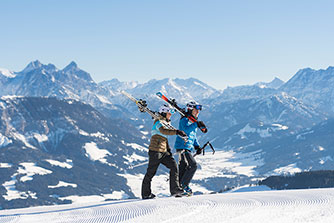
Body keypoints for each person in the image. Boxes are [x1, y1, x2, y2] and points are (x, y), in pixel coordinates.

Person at [141, 104, 187, 199]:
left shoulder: (165, 122)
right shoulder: (158, 122)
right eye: (168, 113)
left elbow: (166, 134)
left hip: (164, 152)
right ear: (164, 113)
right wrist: (177, 132)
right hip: (155, 151)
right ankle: (146, 194)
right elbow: (164, 131)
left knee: (174, 167)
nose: (170, 115)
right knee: (151, 173)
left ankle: (175, 190)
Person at [174, 101, 207, 195]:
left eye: (198, 110)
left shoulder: (192, 121)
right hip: (182, 147)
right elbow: (185, 130)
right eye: (195, 110)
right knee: (193, 165)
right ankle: (184, 186)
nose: (197, 112)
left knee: (183, 167)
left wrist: (197, 146)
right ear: (190, 109)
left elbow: (193, 135)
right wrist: (196, 124)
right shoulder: (184, 120)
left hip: (188, 147)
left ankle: (179, 189)